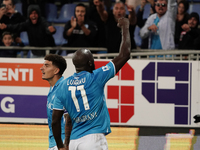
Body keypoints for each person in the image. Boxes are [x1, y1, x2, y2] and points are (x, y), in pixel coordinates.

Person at [52, 17, 131, 150]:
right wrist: (125, 28)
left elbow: (56, 121)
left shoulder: (62, 86)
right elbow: (125, 54)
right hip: (93, 139)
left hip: (74, 141)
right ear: (90, 63)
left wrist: (62, 145)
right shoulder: (96, 77)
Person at [40, 54, 72, 150]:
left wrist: (64, 145)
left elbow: (69, 118)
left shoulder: (64, 88)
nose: (41, 68)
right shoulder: (53, 87)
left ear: (56, 71)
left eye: (46, 66)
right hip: (55, 142)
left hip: (61, 143)